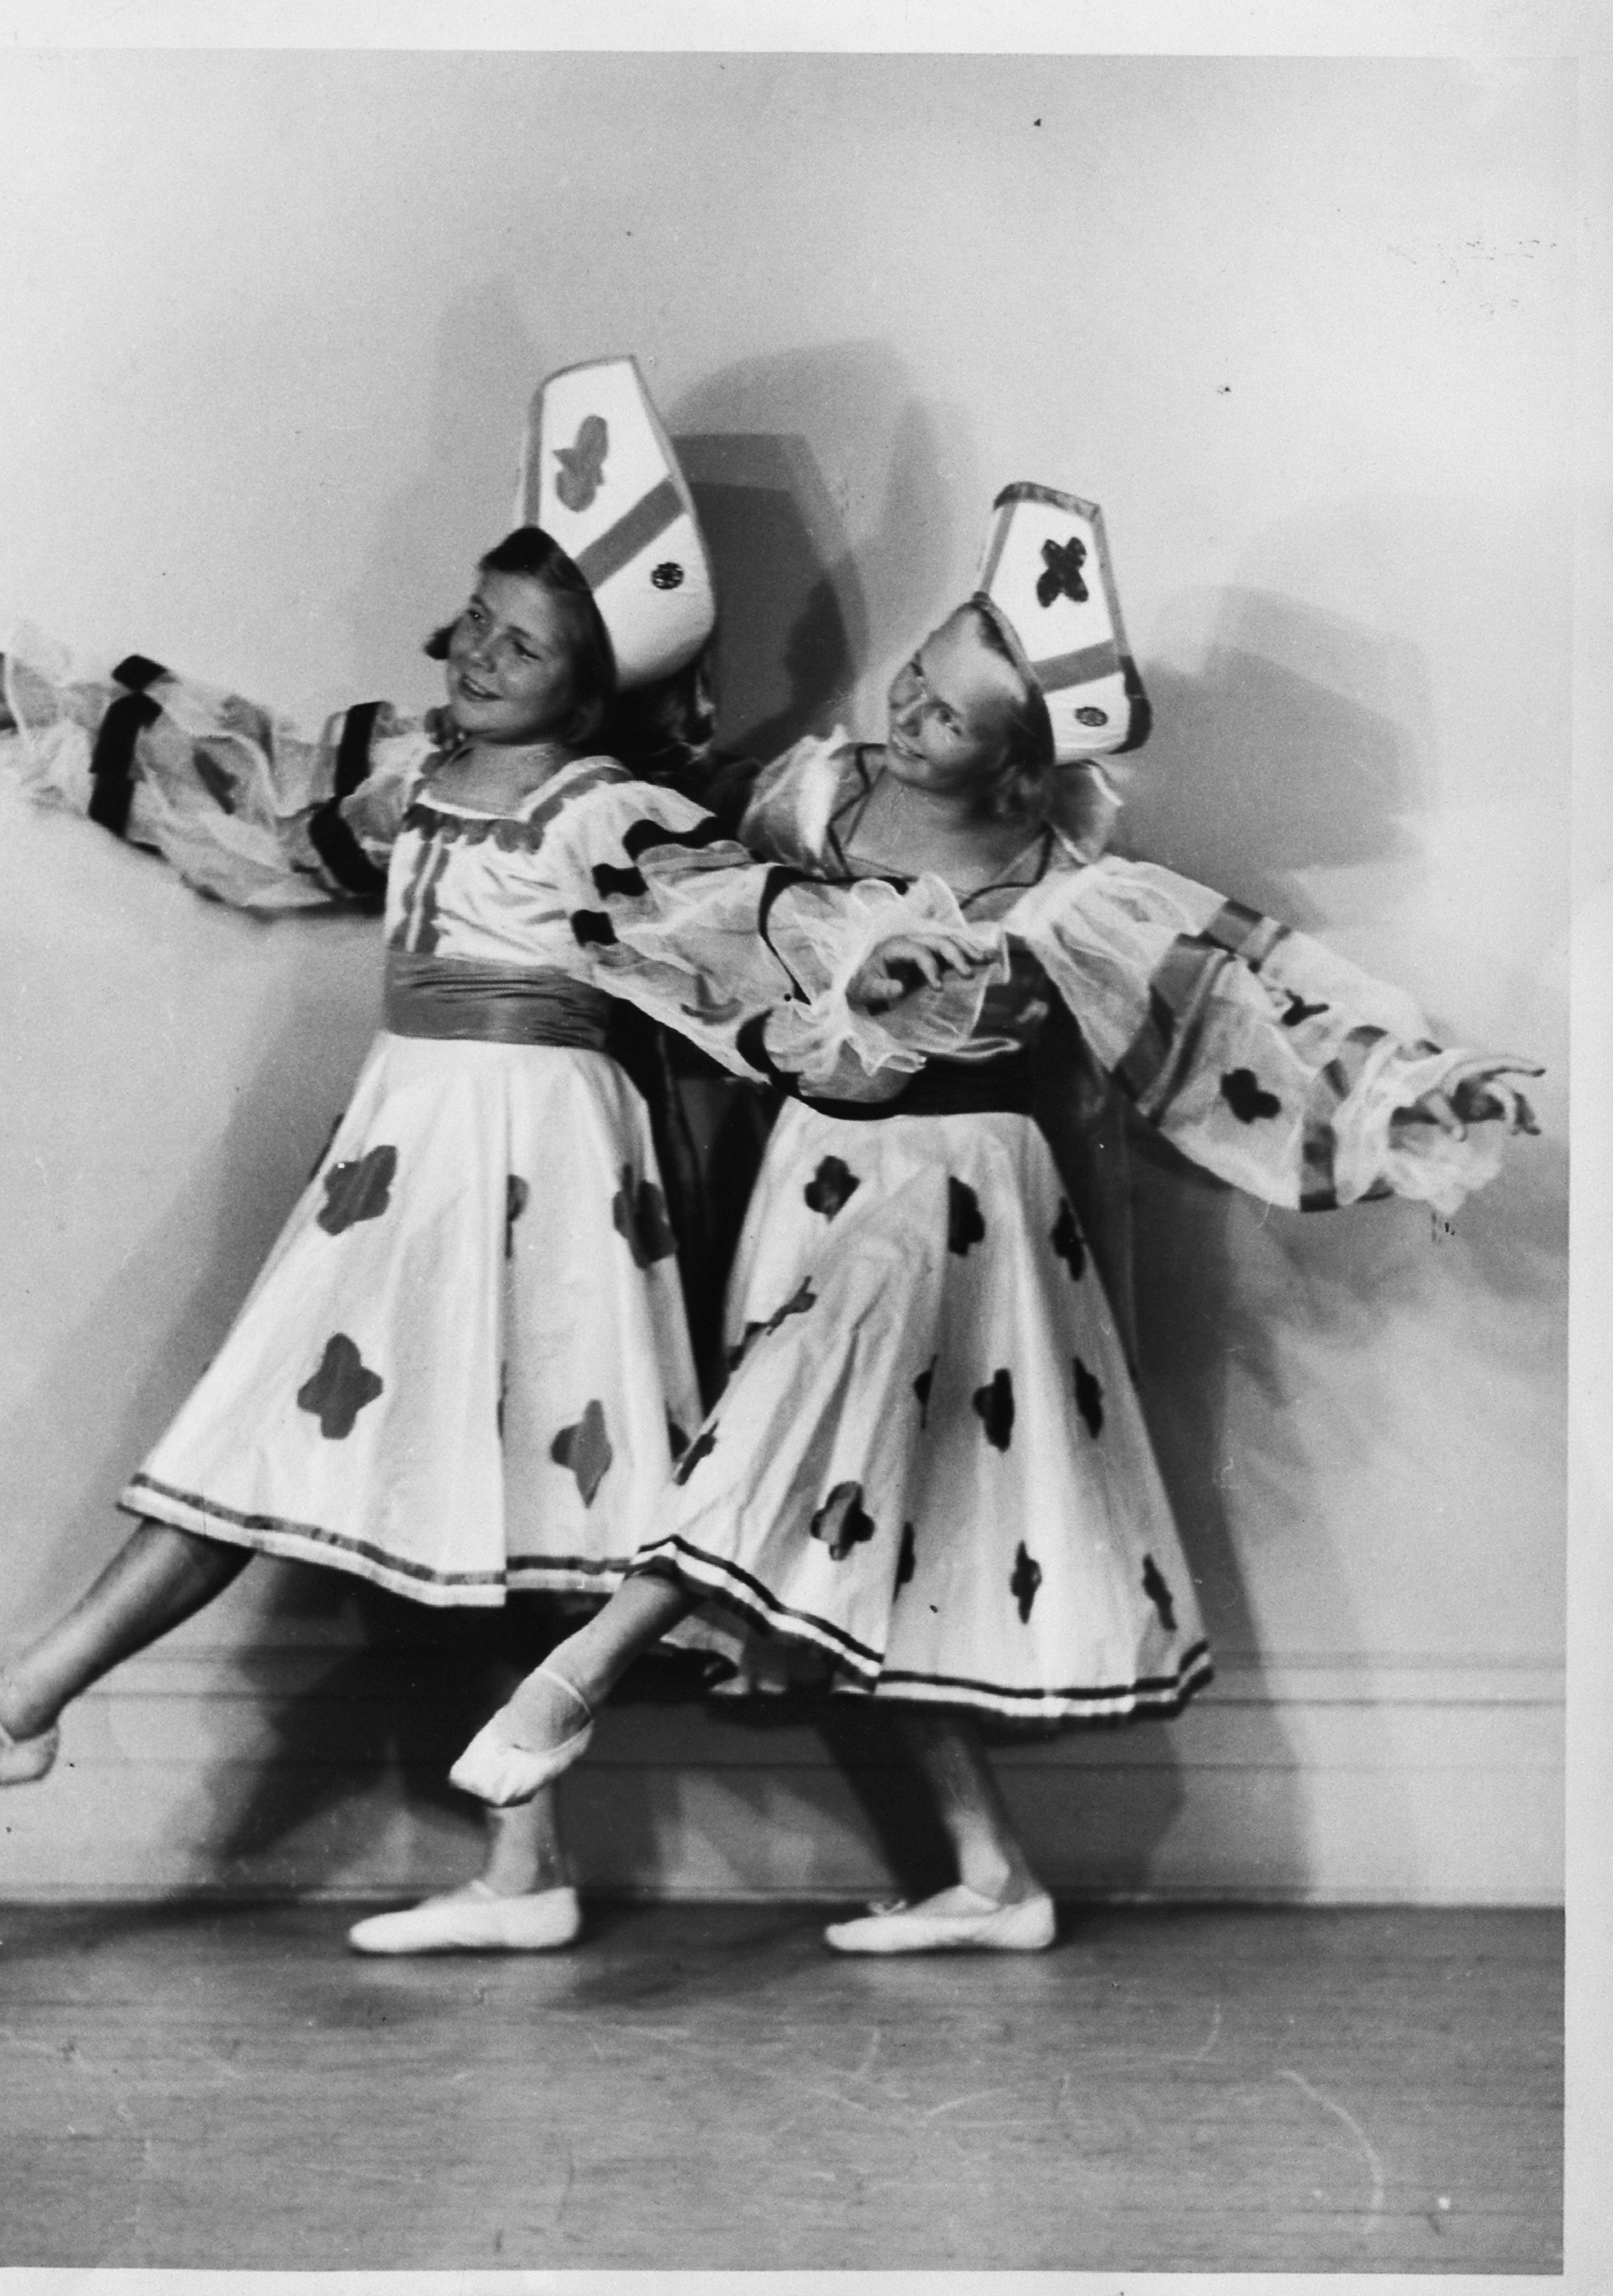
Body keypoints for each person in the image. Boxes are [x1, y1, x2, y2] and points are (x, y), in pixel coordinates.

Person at [0, 357, 979, 1956]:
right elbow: (266, 778)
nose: (477, 658)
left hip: (551, 1171)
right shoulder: (411, 772)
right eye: (476, 624)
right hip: (404, 1156)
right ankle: (95, 1726)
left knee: (517, 1484)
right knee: (308, 1446)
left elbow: (737, 915)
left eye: (523, 646)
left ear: (589, 685)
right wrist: (61, 706)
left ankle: (56, 1716)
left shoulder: (604, 812)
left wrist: (871, 962)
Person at [448, 481, 1543, 1955]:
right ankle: (992, 1875)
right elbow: (693, 888)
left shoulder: (1070, 896)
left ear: (1019, 771)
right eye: (915, 678)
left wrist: (1411, 1092)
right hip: (812, 1174)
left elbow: (1241, 1003)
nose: (909, 716)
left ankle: (578, 1674)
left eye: (952, 717)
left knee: (804, 1396)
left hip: (957, 1197)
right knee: (866, 1524)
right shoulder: (812, 800)